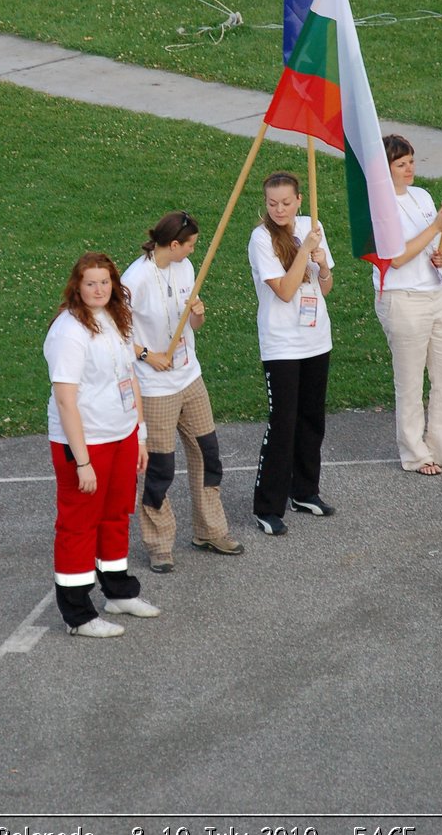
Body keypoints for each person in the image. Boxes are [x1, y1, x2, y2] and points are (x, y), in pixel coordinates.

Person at [43, 252, 160, 638]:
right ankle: (77, 615)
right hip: (85, 444)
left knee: (115, 515)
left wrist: (138, 434)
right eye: (91, 283)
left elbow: (130, 377)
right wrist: (82, 462)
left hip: (122, 435)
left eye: (105, 282)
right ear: (77, 286)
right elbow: (65, 400)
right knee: (78, 525)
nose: (99, 289)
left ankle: (118, 591)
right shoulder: (68, 331)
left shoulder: (115, 319)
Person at [122, 212, 243, 573]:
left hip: (191, 378)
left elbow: (193, 324)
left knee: (208, 454)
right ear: (173, 244)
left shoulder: (187, 269)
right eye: (189, 245)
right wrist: (148, 355)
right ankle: (159, 545)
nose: (193, 250)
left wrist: (198, 315)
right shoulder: (135, 280)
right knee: (160, 469)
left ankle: (210, 531)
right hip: (156, 388)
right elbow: (117, 334)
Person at [374, 136, 442, 475]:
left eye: (411, 162)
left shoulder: (422, 196)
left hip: (436, 292)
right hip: (402, 298)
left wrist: (441, 254)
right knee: (411, 381)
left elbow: (429, 248)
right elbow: (396, 258)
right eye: (401, 164)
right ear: (384, 169)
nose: (409, 169)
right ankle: (415, 454)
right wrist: (436, 226)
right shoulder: (378, 205)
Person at [248, 171, 335, 535]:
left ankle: (305, 490)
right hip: (282, 342)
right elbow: (284, 290)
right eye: (272, 203)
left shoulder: (312, 225)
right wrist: (303, 251)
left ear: (299, 199)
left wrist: (322, 261)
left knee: (311, 418)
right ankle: (267, 505)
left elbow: (325, 286)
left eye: (286, 202)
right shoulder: (261, 237)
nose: (279, 209)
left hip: (316, 338)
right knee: (282, 423)